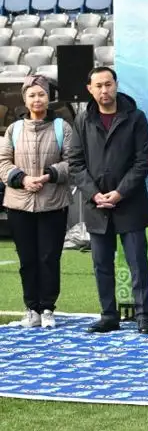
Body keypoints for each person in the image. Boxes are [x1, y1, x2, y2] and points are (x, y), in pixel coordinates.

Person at [69, 67, 148, 335]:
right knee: (101, 265)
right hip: (97, 206)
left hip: (130, 203)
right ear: (90, 89)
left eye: (108, 84)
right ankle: (108, 315)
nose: (104, 90)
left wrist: (120, 192)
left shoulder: (136, 117)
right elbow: (75, 163)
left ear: (116, 84)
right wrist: (94, 194)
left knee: (138, 263)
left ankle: (143, 317)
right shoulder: (82, 120)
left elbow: (143, 161)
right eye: (98, 86)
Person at [0, 76, 72, 328]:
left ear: (49, 97)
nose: (37, 99)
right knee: (27, 259)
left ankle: (48, 308)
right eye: (31, 95)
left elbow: (73, 161)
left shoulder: (62, 127)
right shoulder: (14, 129)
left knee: (49, 258)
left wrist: (49, 175)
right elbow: (3, 162)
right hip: (19, 204)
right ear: (25, 99)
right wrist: (22, 179)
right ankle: (31, 308)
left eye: (41, 94)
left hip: (53, 203)